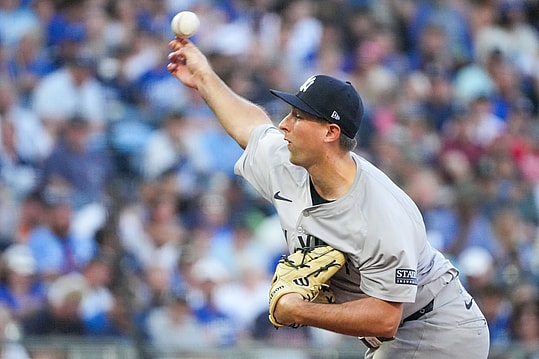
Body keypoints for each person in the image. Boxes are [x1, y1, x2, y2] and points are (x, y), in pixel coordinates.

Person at [167, 38, 490, 358]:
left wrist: (298, 310)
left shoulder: (379, 213)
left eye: (297, 116)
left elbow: (385, 318)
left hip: (439, 330)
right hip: (396, 336)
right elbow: (250, 127)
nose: (284, 124)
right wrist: (203, 78)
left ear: (330, 132)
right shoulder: (290, 163)